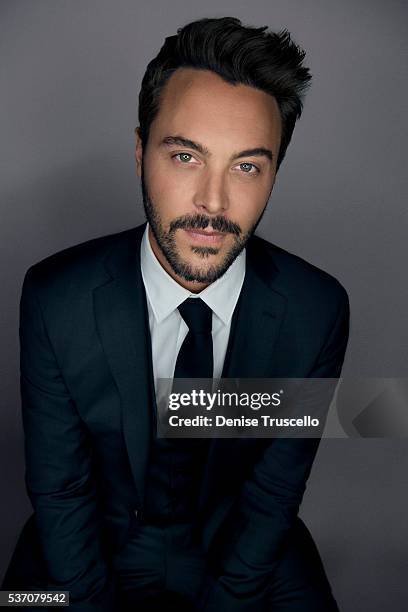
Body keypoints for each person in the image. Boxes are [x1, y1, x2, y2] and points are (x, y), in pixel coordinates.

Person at [3, 16, 349, 612]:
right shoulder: (54, 296)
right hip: (87, 543)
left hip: (242, 545)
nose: (213, 204)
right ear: (141, 153)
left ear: (273, 175)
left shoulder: (316, 311)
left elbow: (274, 494)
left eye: (247, 166)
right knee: (24, 605)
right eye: (186, 156)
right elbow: (60, 491)